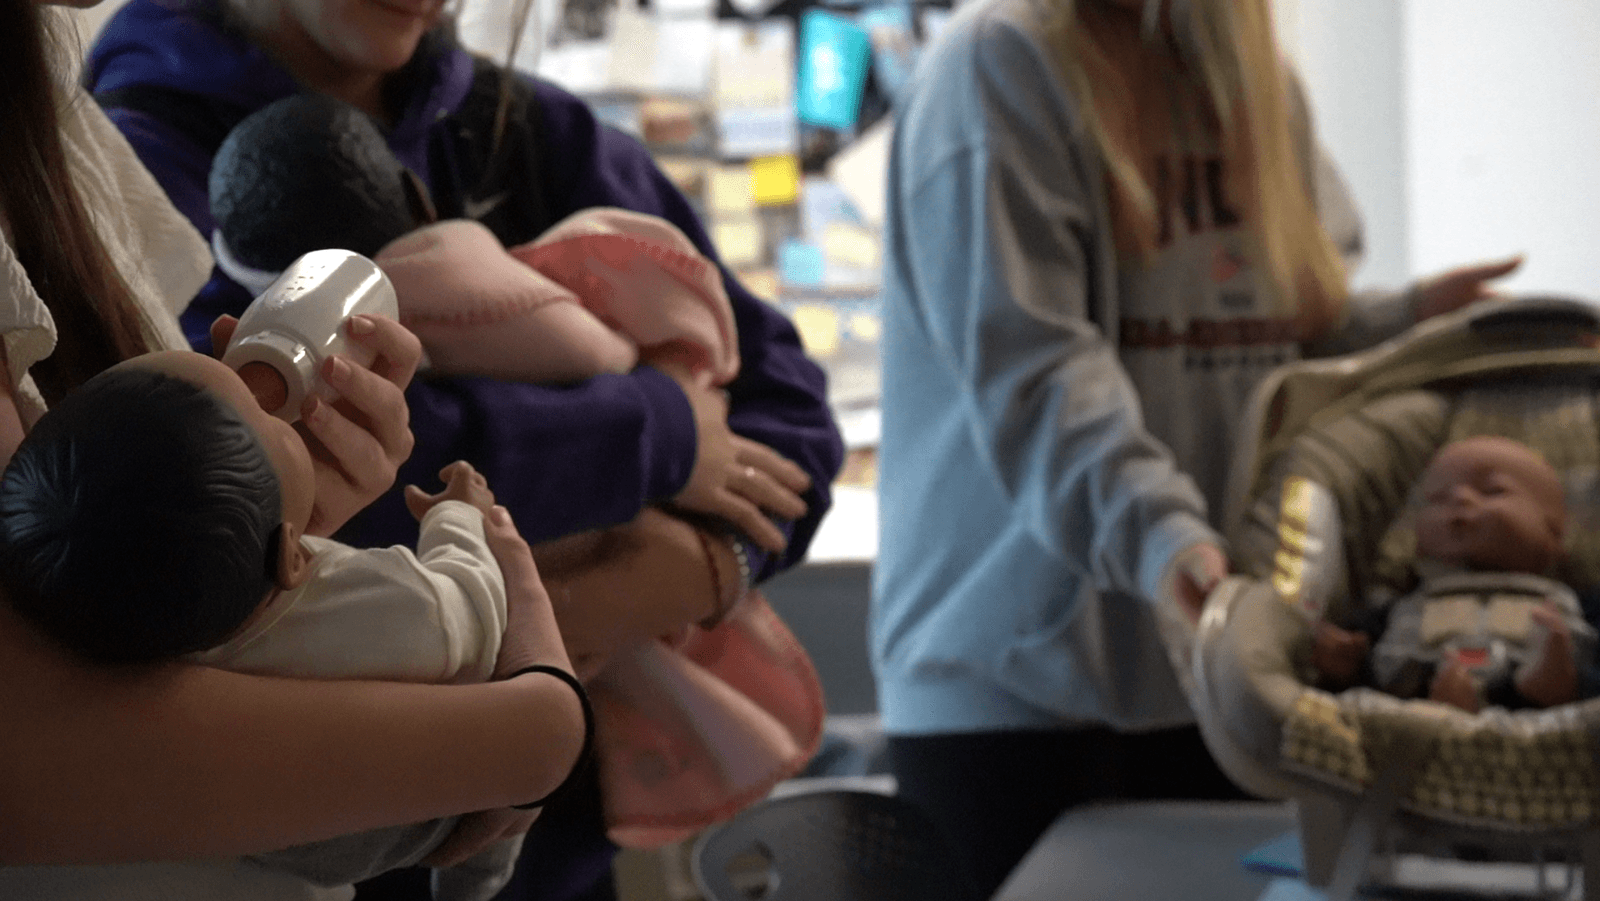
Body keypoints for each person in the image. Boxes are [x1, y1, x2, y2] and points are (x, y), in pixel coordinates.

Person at [87, 1, 844, 899]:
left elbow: (790, 425)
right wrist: (659, 427)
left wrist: (702, 567)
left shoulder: (530, 130)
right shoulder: (133, 160)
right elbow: (271, 462)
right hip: (313, 841)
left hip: (559, 840)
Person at [870, 0, 1525, 894]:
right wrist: (1163, 538)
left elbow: (1278, 335)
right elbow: (1039, 371)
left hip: (1211, 661)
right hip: (1019, 685)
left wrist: (1412, 323)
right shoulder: (998, 69)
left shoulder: (1253, 86)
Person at [0, 0, 586, 871]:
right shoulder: (147, 115)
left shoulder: (48, 114)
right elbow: (33, 757)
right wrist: (541, 727)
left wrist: (284, 510)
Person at [0, 349, 591, 901]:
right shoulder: (387, 602)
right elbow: (471, 600)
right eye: (264, 415)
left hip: (282, 840)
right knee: (473, 803)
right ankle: (482, 879)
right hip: (391, 811)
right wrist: (460, 516)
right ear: (294, 557)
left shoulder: (128, 616)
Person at [1310, 435, 1598, 713]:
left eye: (1493, 491)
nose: (1460, 497)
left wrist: (1580, 683)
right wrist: (1349, 661)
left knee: (1581, 662)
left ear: (1554, 533)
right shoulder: (1404, 601)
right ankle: (1443, 703)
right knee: (1388, 674)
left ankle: (1553, 685)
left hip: (1541, 707)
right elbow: (1367, 642)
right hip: (1419, 696)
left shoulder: (1572, 601)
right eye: (1438, 499)